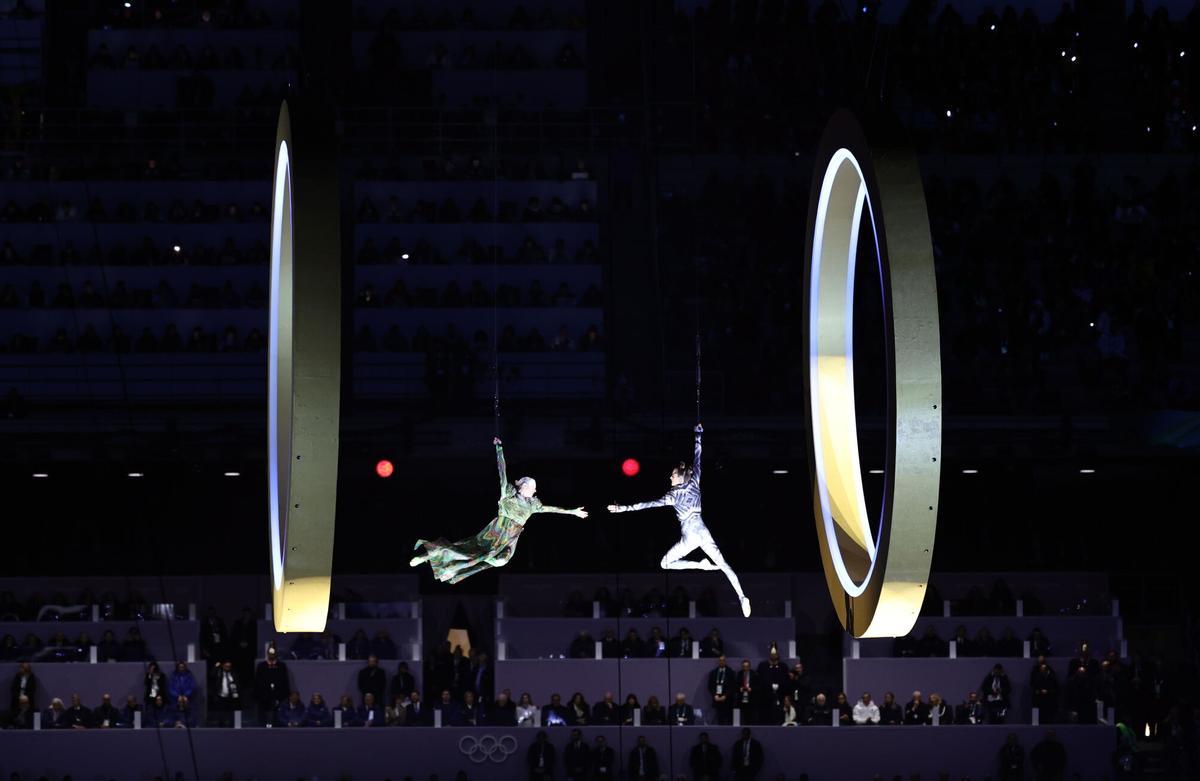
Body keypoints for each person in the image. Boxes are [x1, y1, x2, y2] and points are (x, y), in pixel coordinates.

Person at [607, 424, 751, 615]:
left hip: (690, 537)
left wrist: (622, 508)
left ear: (680, 476)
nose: (670, 476)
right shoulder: (694, 482)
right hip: (702, 532)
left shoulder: (672, 496)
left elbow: (647, 504)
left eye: (673, 474)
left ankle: (699, 565)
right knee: (724, 566)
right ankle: (741, 596)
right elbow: (698, 457)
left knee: (665, 563)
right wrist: (698, 435)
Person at [412, 437, 588, 583]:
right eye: (533, 487)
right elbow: (502, 471)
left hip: (511, 537)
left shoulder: (533, 504)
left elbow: (552, 509)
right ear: (524, 486)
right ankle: (435, 553)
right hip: (497, 531)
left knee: (500, 561)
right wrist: (499, 449)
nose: (535, 491)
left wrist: (572, 511)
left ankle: (451, 563)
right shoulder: (508, 494)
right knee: (474, 551)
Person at [254, 648, 289, 726]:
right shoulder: (261, 666)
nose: (271, 655)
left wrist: (282, 696)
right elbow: (258, 682)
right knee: (263, 720)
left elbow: (284, 681)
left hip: (279, 697)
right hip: (264, 698)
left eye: (273, 653)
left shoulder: (281, 666)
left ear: (276, 654)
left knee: (277, 719)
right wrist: (260, 696)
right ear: (267, 654)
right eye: (270, 653)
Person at [210, 659, 241, 727]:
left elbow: (237, 684)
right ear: (223, 666)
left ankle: (232, 727)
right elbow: (212, 675)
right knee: (221, 714)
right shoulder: (219, 672)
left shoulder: (233, 673)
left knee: (231, 714)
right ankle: (221, 727)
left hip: (231, 697)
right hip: (221, 696)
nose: (227, 667)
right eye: (226, 666)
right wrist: (216, 666)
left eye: (229, 666)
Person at [708, 655, 734, 725]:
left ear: (725, 661)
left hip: (727, 700)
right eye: (720, 660)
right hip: (717, 699)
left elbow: (732, 686)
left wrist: (725, 696)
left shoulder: (730, 672)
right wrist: (715, 695)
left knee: (729, 720)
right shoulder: (713, 672)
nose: (722, 662)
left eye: (723, 660)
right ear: (718, 661)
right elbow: (710, 686)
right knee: (720, 719)